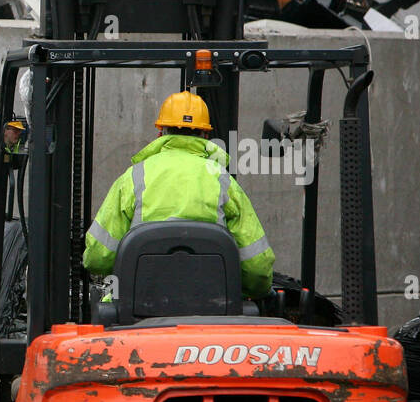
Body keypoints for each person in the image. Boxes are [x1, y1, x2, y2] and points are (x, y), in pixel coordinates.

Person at [82, 90, 275, 299]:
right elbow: (257, 269)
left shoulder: (134, 178)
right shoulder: (223, 181)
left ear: (160, 133)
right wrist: (252, 290)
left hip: (137, 307)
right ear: (206, 136)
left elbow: (97, 258)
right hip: (212, 310)